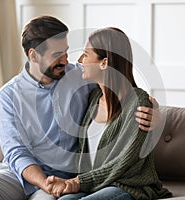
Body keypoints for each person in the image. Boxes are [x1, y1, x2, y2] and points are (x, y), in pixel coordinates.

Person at [0, 16, 158, 200]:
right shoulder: (9, 95)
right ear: (34, 56)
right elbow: (16, 152)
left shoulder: (80, 76)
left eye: (66, 51)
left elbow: (118, 80)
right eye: (57, 55)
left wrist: (155, 111)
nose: (66, 60)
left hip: (63, 177)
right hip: (20, 175)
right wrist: (44, 182)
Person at [46, 27, 172, 200]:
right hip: (95, 186)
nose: (80, 60)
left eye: (86, 54)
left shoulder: (138, 102)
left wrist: (76, 183)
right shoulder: (93, 98)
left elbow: (124, 162)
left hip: (128, 186)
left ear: (104, 62)